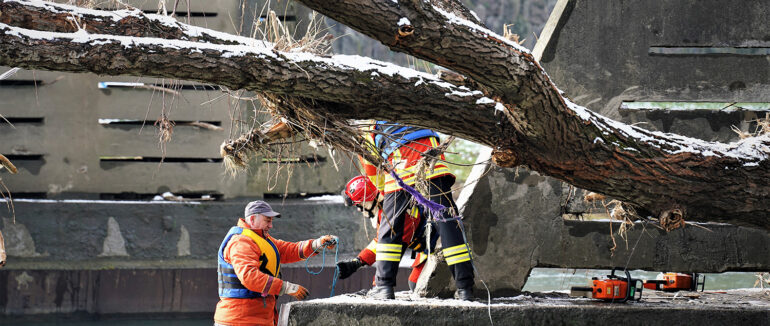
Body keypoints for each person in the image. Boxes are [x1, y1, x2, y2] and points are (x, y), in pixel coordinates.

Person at [356, 121, 475, 300]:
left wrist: (384, 192)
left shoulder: (371, 126)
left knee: (389, 231)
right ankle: (465, 288)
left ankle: (384, 287)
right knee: (448, 224)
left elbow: (371, 169)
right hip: (433, 167)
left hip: (399, 170)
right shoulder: (415, 107)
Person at [214, 200, 338, 326]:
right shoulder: (241, 242)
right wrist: (287, 288)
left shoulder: (261, 239)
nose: (271, 225)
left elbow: (289, 250)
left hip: (256, 318)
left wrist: (317, 244)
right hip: (239, 319)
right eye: (267, 220)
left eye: (271, 221)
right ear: (252, 219)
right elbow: (249, 277)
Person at [336, 176, 437, 291]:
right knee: (415, 283)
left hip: (436, 244)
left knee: (416, 284)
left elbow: (389, 254)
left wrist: (378, 286)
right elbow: (380, 242)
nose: (359, 209)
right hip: (427, 243)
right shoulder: (387, 207)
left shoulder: (393, 214)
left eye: (359, 204)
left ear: (369, 201)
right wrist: (358, 262)